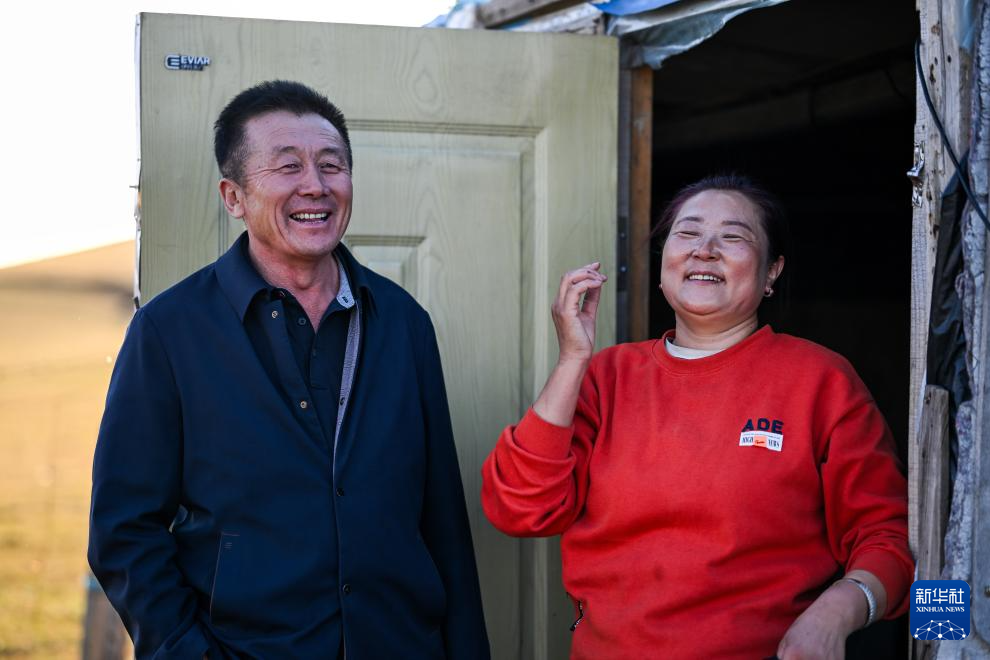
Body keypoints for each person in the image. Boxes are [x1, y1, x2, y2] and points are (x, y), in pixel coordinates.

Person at [88, 80, 490, 659]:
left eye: (332, 164)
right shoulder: (169, 331)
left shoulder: (403, 322)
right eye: (288, 166)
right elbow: (124, 531)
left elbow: (442, 520)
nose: (316, 185)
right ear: (234, 197)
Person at [481, 174, 912, 659]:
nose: (704, 250)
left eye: (733, 237)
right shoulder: (606, 376)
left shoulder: (820, 381)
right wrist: (572, 360)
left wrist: (835, 611)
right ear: (663, 263)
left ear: (771, 272)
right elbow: (520, 510)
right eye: (687, 233)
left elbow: (889, 538)